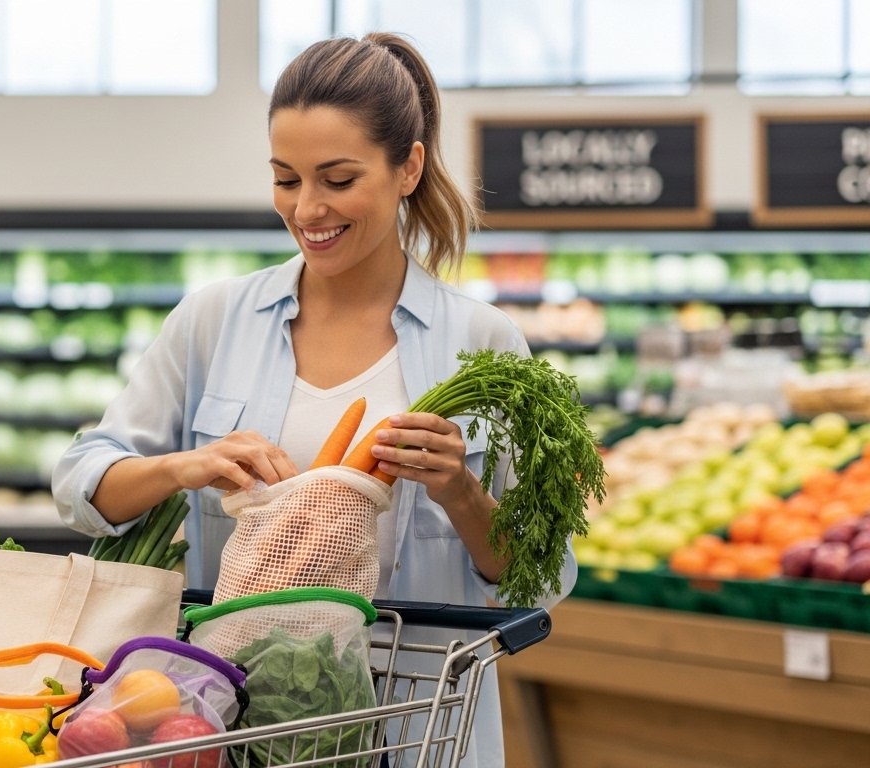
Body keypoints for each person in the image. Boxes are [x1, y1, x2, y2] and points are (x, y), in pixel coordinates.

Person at [54, 32, 577, 768]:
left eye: (337, 179)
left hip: (420, 732)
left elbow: (541, 579)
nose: (306, 209)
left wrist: (458, 487)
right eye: (286, 179)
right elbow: (80, 484)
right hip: (235, 731)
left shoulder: (482, 341)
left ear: (409, 168)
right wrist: (186, 467)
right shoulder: (214, 322)